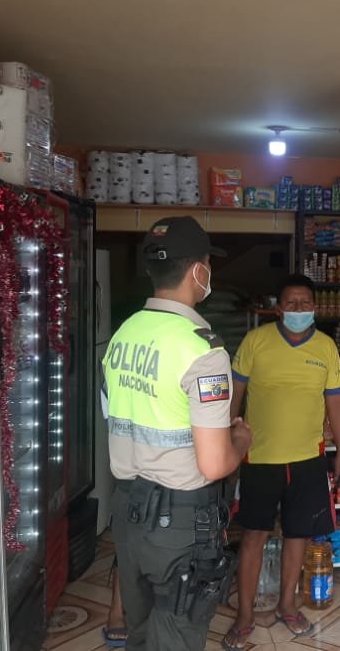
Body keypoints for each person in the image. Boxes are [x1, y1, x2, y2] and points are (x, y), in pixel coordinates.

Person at [102, 216, 252, 651]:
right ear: (199, 271)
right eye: (209, 264)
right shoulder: (201, 349)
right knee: (176, 639)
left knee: (141, 633)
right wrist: (241, 440)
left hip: (128, 512)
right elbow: (215, 463)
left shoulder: (124, 333)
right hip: (179, 521)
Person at [222, 274, 340, 650]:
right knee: (253, 536)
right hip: (260, 457)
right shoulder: (256, 341)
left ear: (315, 308)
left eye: (304, 303)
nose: (298, 309)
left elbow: (336, 400)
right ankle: (245, 615)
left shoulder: (326, 347)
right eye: (291, 303)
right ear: (278, 309)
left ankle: (288, 606)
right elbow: (235, 392)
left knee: (298, 536)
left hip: (308, 458)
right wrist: (229, 439)